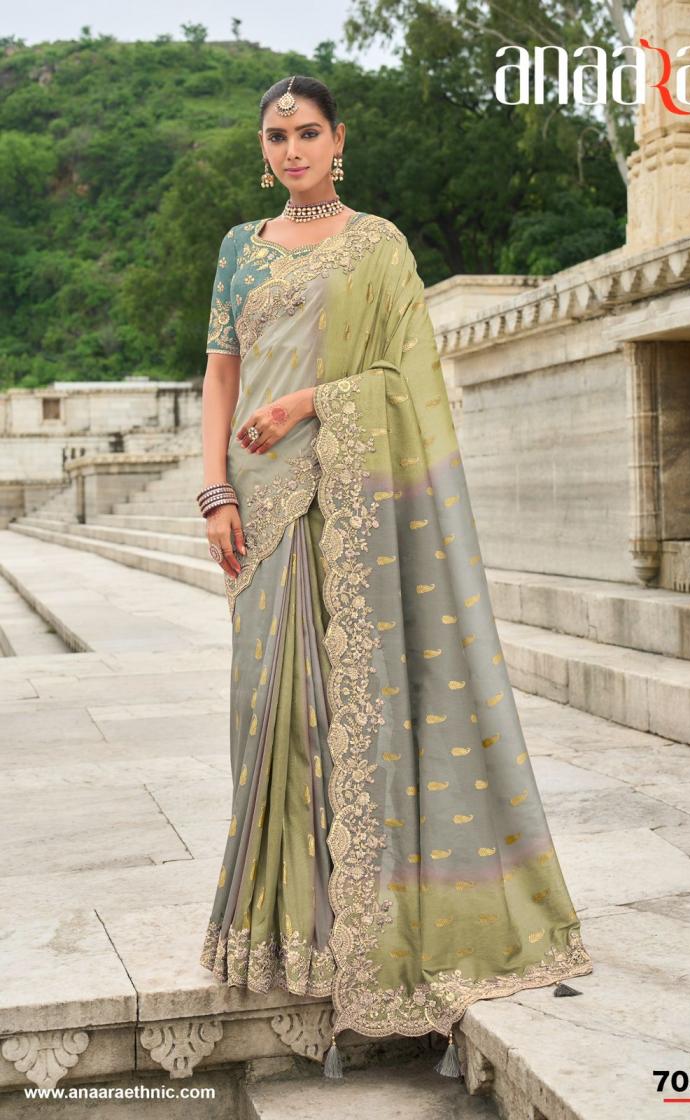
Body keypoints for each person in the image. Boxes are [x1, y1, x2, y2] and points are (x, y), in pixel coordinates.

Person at [197, 73, 593, 1080]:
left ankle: (369, 943)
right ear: (264, 149)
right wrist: (214, 492)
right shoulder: (238, 249)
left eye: (307, 132)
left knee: (356, 714)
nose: (291, 149)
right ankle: (286, 936)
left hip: (353, 501)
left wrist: (310, 404)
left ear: (339, 140)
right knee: (272, 714)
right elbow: (221, 374)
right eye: (276, 135)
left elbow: (403, 384)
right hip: (261, 511)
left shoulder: (378, 247)